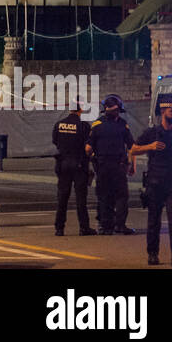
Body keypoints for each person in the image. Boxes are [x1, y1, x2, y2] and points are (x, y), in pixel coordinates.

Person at [132, 93, 172, 266]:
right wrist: (150, 147)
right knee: (154, 220)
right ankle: (152, 254)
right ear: (163, 111)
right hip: (155, 182)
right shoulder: (152, 133)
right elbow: (133, 150)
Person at [85, 95, 136, 235]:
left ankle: (105, 226)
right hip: (119, 166)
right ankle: (120, 225)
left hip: (102, 167)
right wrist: (132, 164)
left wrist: (90, 162)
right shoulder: (122, 124)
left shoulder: (97, 125)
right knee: (121, 196)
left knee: (104, 195)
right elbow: (132, 147)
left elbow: (88, 149)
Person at [52, 102, 97, 237]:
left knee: (62, 198)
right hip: (79, 164)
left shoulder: (59, 124)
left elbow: (55, 141)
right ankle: (84, 227)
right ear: (80, 110)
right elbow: (88, 146)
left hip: (63, 163)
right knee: (80, 198)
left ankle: (59, 228)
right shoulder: (83, 126)